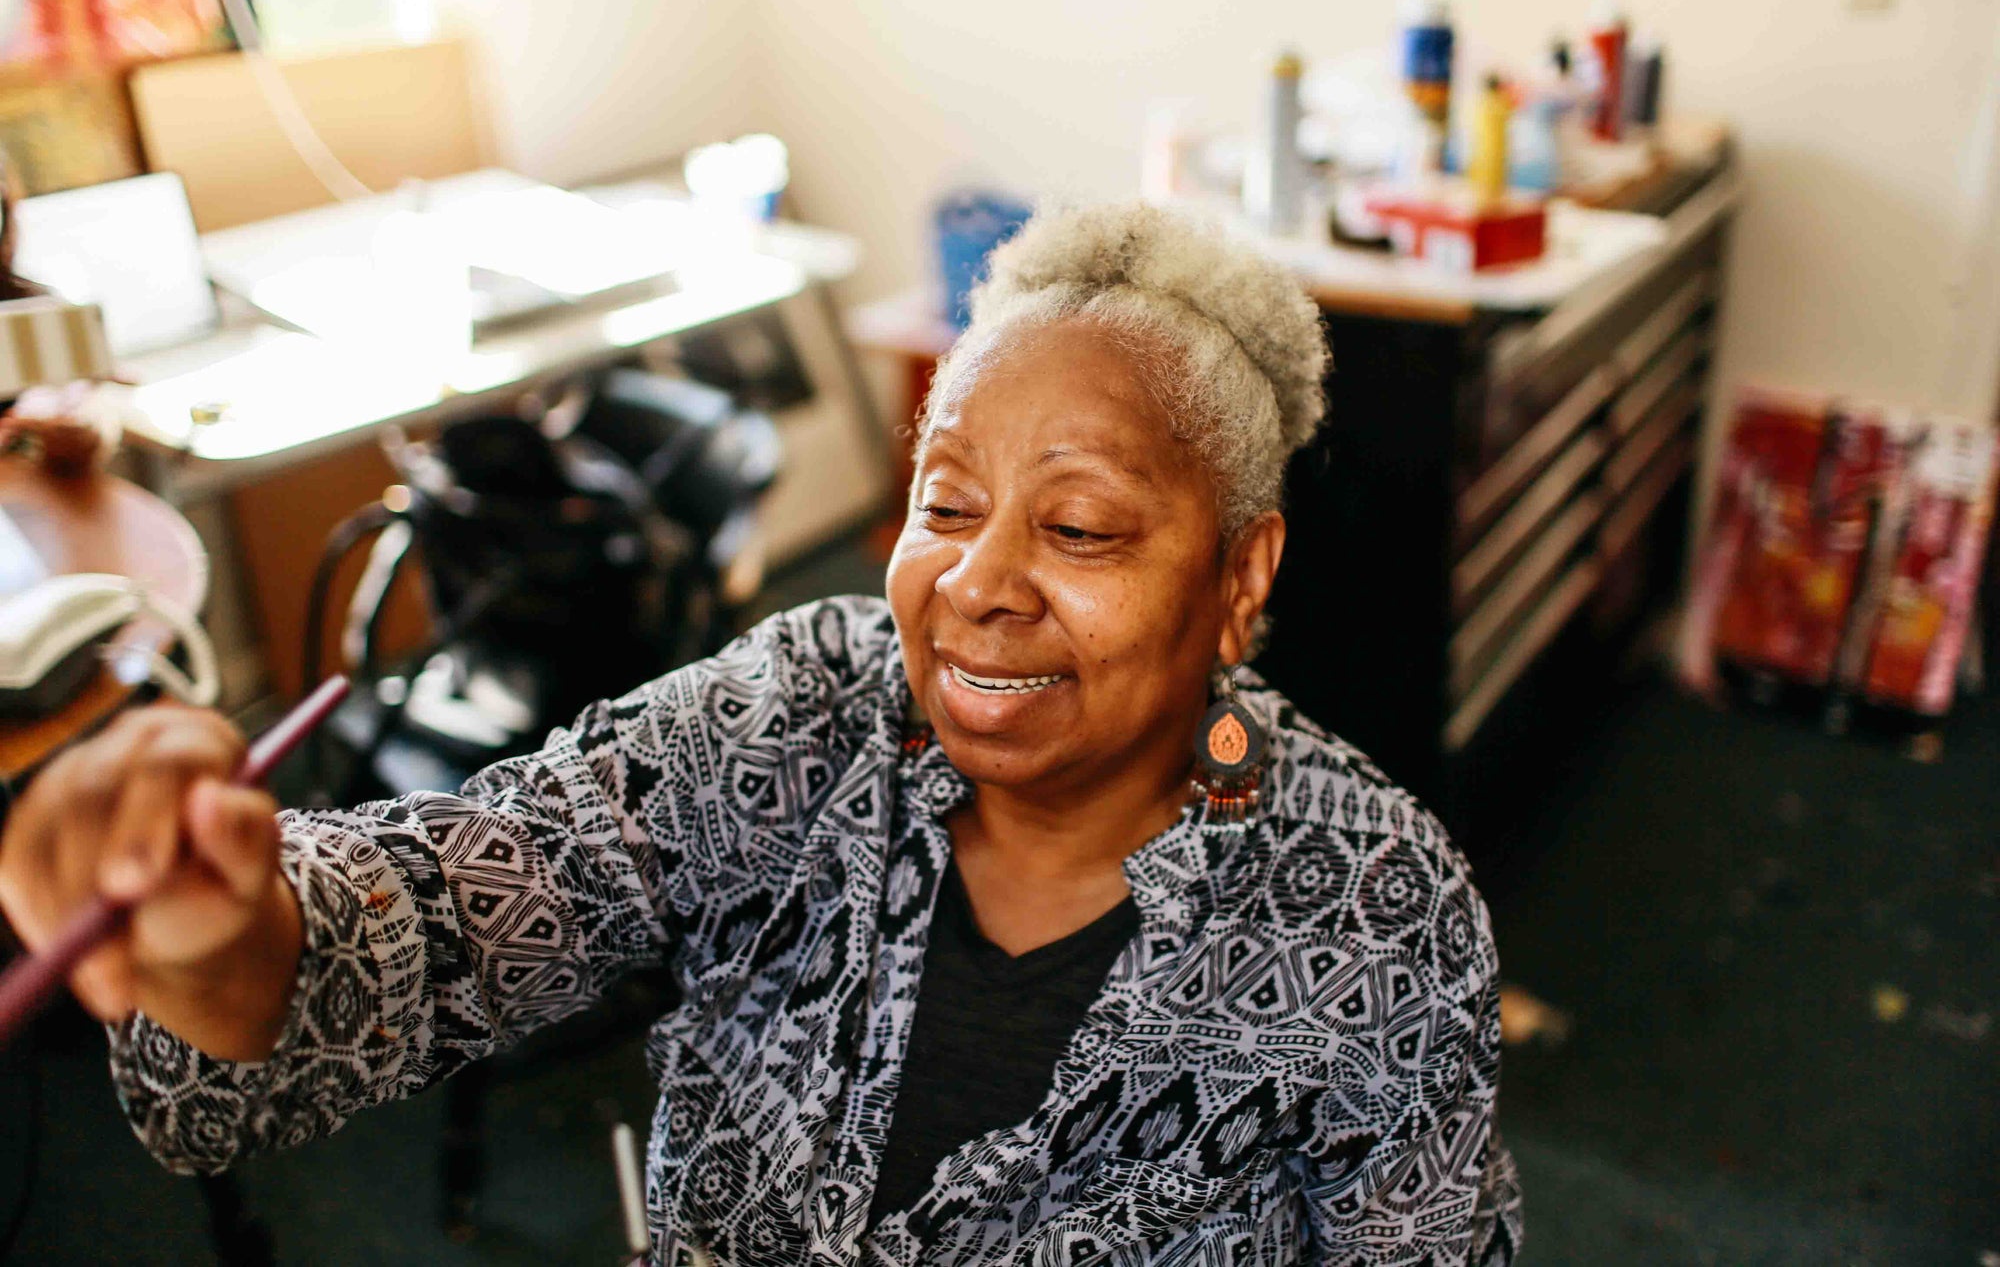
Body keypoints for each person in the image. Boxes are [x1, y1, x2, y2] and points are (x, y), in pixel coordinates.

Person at [0, 203, 1522, 1264]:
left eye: (1076, 523)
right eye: (945, 504)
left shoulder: (1382, 913)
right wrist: (225, 926)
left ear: (1241, 577)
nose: (978, 585)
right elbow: (431, 919)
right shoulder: (797, 721)